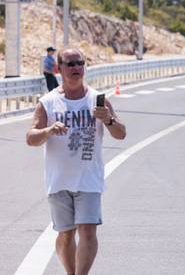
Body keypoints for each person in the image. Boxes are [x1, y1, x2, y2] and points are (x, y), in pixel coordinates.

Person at [26, 47, 126, 275]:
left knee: (88, 230)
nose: (76, 68)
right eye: (70, 64)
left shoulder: (98, 100)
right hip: (59, 180)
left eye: (80, 63)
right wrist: (49, 130)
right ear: (59, 68)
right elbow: (30, 138)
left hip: (89, 179)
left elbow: (121, 134)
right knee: (66, 233)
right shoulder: (48, 102)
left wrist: (108, 120)